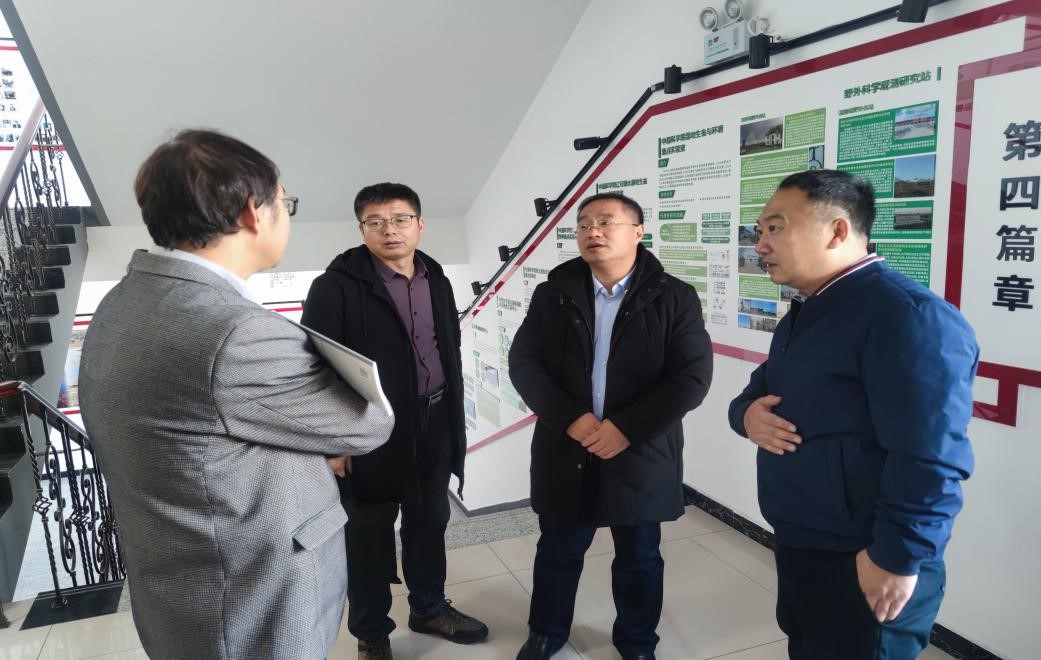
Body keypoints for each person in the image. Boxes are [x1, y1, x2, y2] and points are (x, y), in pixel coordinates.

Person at [78, 129, 394, 660]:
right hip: (249, 602)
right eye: (284, 202)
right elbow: (366, 425)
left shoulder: (128, 297)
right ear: (253, 212)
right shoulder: (238, 333)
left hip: (186, 581)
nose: (286, 215)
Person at [728, 169, 977, 659]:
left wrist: (896, 558)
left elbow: (930, 457)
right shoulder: (809, 310)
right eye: (760, 230)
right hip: (804, 538)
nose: (760, 245)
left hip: (865, 553)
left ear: (837, 231)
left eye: (775, 228)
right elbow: (758, 391)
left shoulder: (906, 316)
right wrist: (745, 416)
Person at [508, 192, 713, 660]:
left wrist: (626, 429)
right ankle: (546, 632)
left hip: (640, 450)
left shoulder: (674, 296)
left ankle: (637, 642)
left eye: (605, 222)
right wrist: (572, 419)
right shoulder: (554, 293)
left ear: (638, 232)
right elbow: (524, 362)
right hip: (568, 445)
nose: (592, 232)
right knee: (559, 548)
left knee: (640, 555)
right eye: (583, 224)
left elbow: (691, 378)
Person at [302, 182, 487, 660]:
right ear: (361, 229)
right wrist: (333, 443)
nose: (390, 230)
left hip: (435, 420)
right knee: (367, 538)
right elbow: (316, 368)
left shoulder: (436, 277)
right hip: (368, 431)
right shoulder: (335, 287)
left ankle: (428, 608)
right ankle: (371, 634)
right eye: (376, 222)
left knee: (430, 522)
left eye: (401, 219)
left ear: (420, 225)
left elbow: (447, 347)